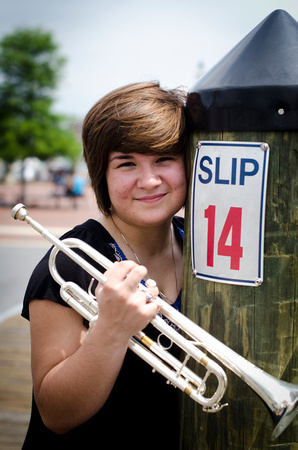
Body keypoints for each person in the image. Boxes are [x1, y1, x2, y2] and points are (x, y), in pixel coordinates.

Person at [21, 81, 189, 449]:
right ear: (102, 174)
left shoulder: (201, 247)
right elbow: (55, 414)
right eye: (126, 163)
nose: (149, 180)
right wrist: (112, 329)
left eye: (164, 158)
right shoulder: (70, 262)